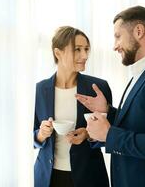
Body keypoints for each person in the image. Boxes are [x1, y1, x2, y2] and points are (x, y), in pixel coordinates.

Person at [76, 6, 145, 187]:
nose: (115, 45)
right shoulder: (141, 73)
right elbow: (142, 123)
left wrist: (110, 136)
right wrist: (107, 112)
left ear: (139, 31)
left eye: (118, 36)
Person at [33, 26, 111, 187]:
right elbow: (28, 136)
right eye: (77, 49)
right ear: (58, 53)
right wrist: (41, 134)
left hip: (89, 176)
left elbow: (111, 133)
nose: (84, 55)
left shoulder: (98, 87)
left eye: (86, 49)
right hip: (48, 177)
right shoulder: (40, 90)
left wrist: (88, 135)